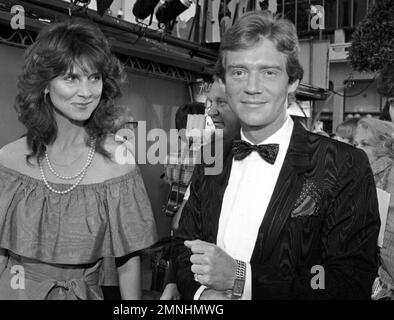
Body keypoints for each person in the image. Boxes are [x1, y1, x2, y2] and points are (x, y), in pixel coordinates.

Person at [172, 10, 380, 300]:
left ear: (292, 81)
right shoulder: (212, 156)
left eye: (268, 72)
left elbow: (348, 280)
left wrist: (241, 279)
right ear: (224, 81)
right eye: (239, 72)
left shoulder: (344, 164)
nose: (252, 87)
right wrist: (203, 294)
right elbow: (185, 246)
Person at [0, 18, 157, 300]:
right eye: (71, 78)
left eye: (94, 78)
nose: (86, 92)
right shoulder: (10, 160)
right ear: (45, 84)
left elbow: (128, 263)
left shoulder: (120, 163)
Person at [160, 76, 240, 300]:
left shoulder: (177, 152)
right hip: (193, 246)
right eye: (209, 105)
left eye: (220, 103)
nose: (211, 113)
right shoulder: (208, 153)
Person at [354, 118, 394, 300]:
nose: (357, 148)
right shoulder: (364, 172)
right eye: (355, 143)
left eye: (365, 143)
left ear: (383, 145)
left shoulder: (385, 175)